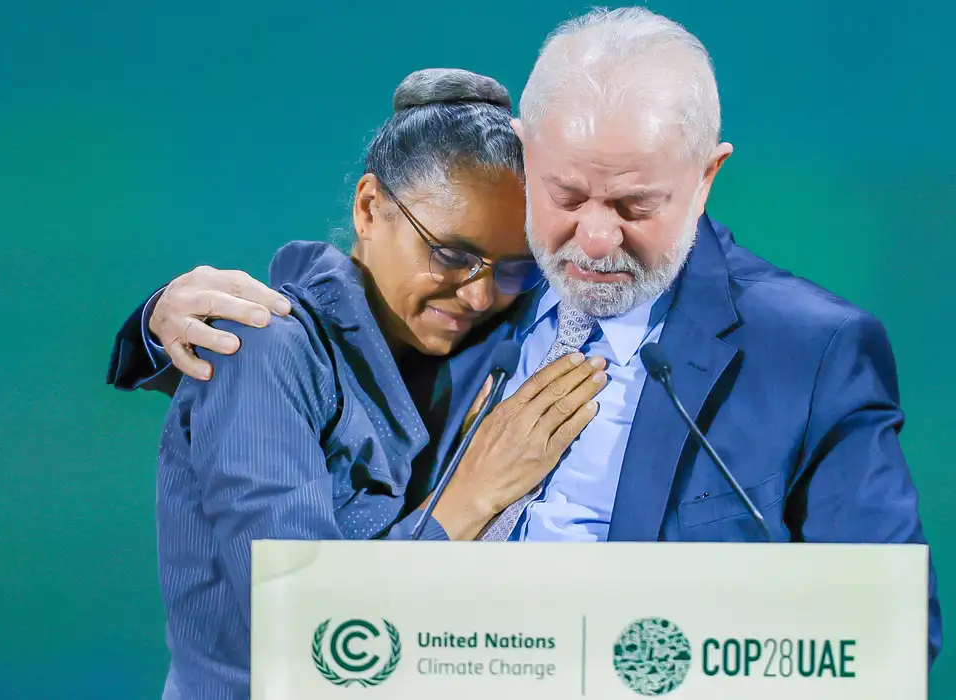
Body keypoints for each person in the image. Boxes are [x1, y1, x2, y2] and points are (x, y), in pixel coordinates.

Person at [109, 8, 942, 668]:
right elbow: (319, 334)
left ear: (706, 176)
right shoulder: (481, 290)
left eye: (636, 205)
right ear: (530, 163)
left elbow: (887, 632)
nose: (594, 240)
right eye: (567, 194)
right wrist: (155, 322)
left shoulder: (810, 352)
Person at [133, 67, 613, 699]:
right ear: (368, 207)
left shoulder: (483, 333)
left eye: (516, 270)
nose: (478, 294)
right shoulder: (262, 349)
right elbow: (302, 629)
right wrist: (469, 498)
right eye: (451, 254)